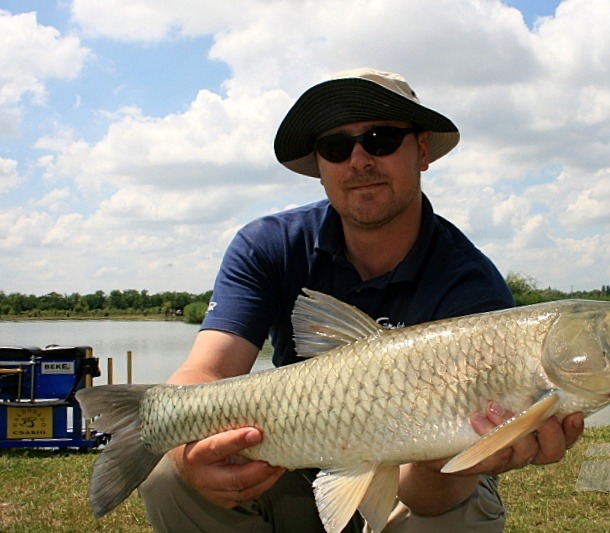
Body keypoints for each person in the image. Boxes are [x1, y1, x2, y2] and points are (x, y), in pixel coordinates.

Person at [138, 67, 584, 532]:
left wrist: (439, 467)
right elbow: (207, 369)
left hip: (423, 470)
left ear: (422, 150)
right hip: (288, 458)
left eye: (381, 139)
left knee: (451, 514)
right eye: (336, 147)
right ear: (321, 165)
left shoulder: (470, 283)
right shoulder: (267, 245)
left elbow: (425, 492)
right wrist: (179, 448)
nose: (359, 160)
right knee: (168, 475)